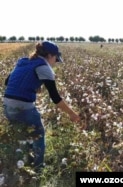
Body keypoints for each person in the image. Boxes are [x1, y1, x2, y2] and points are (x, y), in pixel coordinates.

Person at [3, 41, 81, 172]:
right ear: (50, 55)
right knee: (38, 134)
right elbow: (55, 97)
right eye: (56, 59)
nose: (55, 62)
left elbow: (7, 82)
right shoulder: (44, 67)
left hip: (7, 106)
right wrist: (72, 113)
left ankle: (22, 162)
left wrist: (32, 87)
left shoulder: (24, 61)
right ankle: (38, 168)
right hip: (23, 107)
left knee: (23, 133)